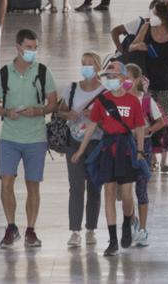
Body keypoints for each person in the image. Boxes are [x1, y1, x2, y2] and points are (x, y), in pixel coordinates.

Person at [0, 29, 61, 249]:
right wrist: (5, 112)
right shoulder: (4, 74)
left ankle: (31, 229)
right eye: (28, 47)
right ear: (18, 47)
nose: (32, 51)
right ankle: (11, 227)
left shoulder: (42, 72)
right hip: (10, 137)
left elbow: (53, 103)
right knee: (6, 183)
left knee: (33, 185)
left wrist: (38, 111)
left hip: (36, 138)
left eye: (34, 48)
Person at [70, 60, 148, 257]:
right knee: (109, 194)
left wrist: (140, 150)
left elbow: (139, 127)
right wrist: (81, 150)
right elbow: (92, 126)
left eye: (114, 77)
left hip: (126, 150)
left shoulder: (132, 102)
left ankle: (127, 222)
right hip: (108, 150)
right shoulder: (102, 101)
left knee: (128, 195)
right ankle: (113, 240)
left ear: (122, 78)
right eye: (108, 77)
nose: (111, 80)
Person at [126, 0, 168, 172]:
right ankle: (153, 158)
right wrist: (138, 45)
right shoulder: (147, 28)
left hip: (166, 83)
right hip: (146, 82)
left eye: (156, 14)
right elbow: (131, 47)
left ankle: (164, 157)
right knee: (147, 118)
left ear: (164, 17)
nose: (152, 16)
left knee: (164, 120)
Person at [59, 52, 106, 248]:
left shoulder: (104, 92)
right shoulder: (71, 89)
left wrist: (94, 115)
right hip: (74, 141)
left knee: (95, 186)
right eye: (83, 64)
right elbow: (59, 111)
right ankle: (75, 231)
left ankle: (91, 229)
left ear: (97, 68)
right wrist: (68, 114)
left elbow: (110, 119)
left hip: (96, 143)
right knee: (76, 186)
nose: (86, 68)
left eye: (90, 64)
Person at [125, 63, 167, 247]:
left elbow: (161, 122)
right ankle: (132, 221)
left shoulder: (146, 100)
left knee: (140, 187)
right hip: (124, 145)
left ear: (136, 80)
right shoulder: (119, 100)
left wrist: (146, 130)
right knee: (125, 189)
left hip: (145, 145)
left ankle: (142, 228)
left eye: (127, 77)